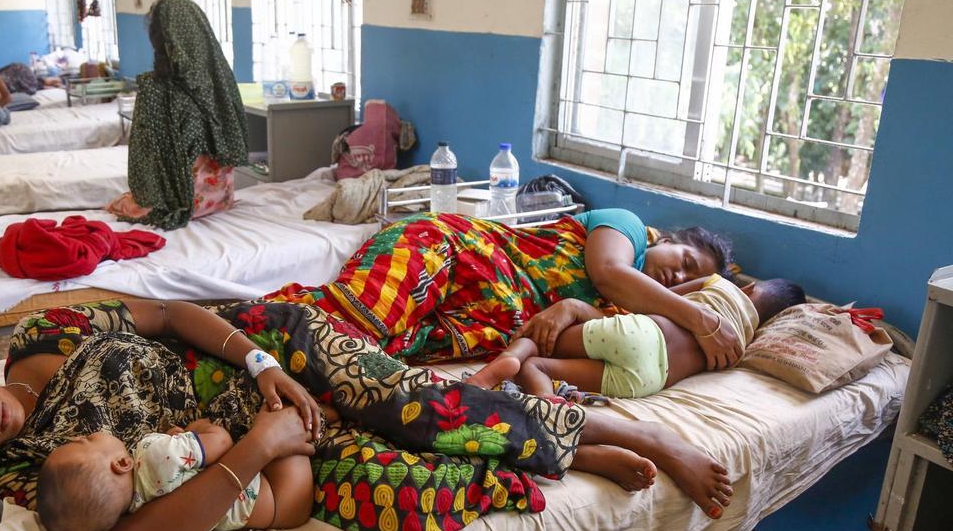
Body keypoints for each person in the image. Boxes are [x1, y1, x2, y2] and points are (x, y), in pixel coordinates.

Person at [0, 299, 735, 531]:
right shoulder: (21, 474)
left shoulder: (46, 334)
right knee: (401, 494)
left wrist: (262, 367)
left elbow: (165, 312)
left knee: (417, 404)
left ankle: (637, 437)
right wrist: (261, 452)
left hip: (265, 361)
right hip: (260, 447)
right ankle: (564, 446)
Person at [263, 208, 745, 370]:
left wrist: (709, 289)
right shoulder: (628, 230)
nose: (676, 278)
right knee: (360, 316)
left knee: (361, 354)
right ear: (667, 238)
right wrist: (702, 318)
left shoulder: (625, 312)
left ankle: (243, 354)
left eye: (688, 279)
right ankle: (232, 325)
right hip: (453, 252)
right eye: (682, 261)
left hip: (479, 324)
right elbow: (609, 272)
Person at [468, 276, 806, 400]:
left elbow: (662, 296)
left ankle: (508, 360)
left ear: (749, 287)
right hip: (649, 379)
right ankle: (546, 402)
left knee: (543, 342)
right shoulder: (742, 342)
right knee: (544, 367)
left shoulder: (720, 284)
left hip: (643, 332)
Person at [37, 421, 313, 531]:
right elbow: (221, 441)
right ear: (122, 464)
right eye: (87, 440)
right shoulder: (155, 455)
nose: (84, 435)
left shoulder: (135, 507)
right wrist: (198, 429)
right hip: (282, 490)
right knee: (293, 414)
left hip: (274, 511)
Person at [106, 0, 247, 229]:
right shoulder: (220, 84)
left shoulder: (156, 90)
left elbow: (145, 160)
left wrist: (142, 201)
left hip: (182, 202)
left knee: (119, 204)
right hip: (220, 199)